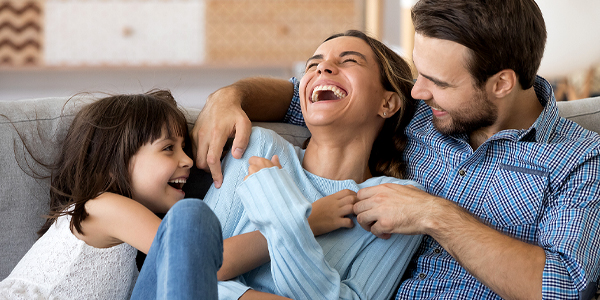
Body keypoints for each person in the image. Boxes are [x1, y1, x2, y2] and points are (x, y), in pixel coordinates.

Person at [191, 0, 600, 299]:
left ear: (501, 84)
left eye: (437, 81)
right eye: (418, 72)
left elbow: (561, 287)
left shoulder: (578, 159)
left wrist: (434, 215)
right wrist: (230, 95)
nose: (418, 91)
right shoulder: (420, 111)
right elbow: (306, 98)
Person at [202, 30, 424, 299]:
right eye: (313, 64)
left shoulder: (397, 203)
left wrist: (281, 209)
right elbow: (189, 269)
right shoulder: (258, 148)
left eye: (350, 61)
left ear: (387, 103)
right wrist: (307, 221)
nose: (323, 68)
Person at [0, 90, 223, 299]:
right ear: (114, 161)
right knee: (190, 217)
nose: (189, 161)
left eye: (184, 147)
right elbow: (197, 260)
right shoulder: (103, 207)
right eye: (168, 148)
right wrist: (260, 235)